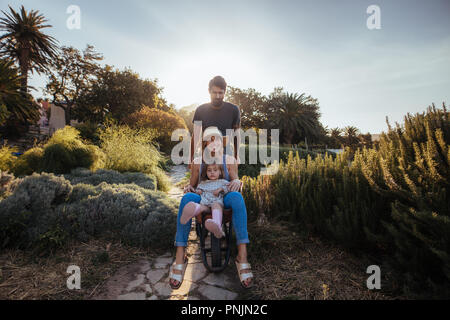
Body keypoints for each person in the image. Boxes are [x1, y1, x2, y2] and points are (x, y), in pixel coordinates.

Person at [169, 124, 254, 290]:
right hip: (204, 196)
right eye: (210, 139)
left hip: (224, 195)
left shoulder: (229, 159)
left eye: (217, 140)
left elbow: (234, 180)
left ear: (222, 143)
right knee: (187, 198)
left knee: (236, 197)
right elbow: (193, 184)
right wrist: (188, 187)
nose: (214, 142)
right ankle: (180, 255)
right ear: (206, 143)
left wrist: (237, 181)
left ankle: (242, 256)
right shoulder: (197, 161)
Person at [180, 160, 230, 238]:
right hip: (205, 204)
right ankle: (191, 210)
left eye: (215, 170)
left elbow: (228, 189)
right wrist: (198, 191)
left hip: (216, 203)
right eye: (209, 170)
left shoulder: (223, 182)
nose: (212, 172)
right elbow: (198, 190)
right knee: (201, 206)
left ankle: (216, 225)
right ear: (206, 172)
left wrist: (221, 189)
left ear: (220, 172)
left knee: (216, 205)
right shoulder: (203, 183)